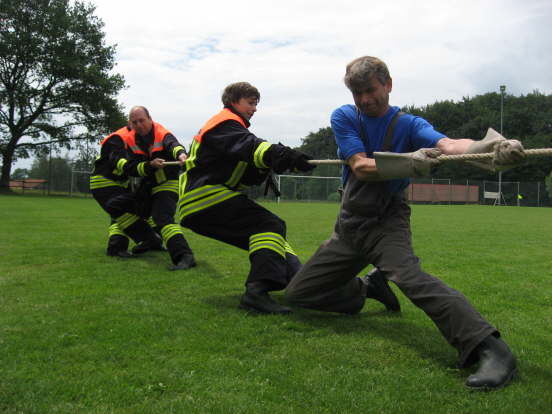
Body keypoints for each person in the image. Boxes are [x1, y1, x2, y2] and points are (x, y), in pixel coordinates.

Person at [285, 56, 525, 390]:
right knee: (299, 294)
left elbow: (448, 145)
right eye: (358, 93)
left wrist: (491, 148)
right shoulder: (344, 116)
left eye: (370, 90)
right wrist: (409, 163)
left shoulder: (410, 125)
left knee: (411, 278)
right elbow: (359, 166)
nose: (365, 99)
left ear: (388, 84)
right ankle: (369, 288)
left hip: (387, 221)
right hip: (350, 225)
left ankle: (490, 349)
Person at [177, 82, 315, 314]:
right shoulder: (224, 123)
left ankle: (303, 282)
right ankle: (256, 293)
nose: (255, 109)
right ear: (234, 101)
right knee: (271, 225)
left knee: (277, 245)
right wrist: (281, 154)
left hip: (199, 203)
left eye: (256, 104)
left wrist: (272, 163)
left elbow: (246, 167)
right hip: (205, 197)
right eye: (251, 103)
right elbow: (249, 146)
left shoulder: (228, 128)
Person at [125, 106, 196, 270]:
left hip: (168, 182)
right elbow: (131, 167)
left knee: (162, 218)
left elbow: (174, 145)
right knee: (129, 210)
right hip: (149, 183)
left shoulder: (161, 132)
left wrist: (181, 155)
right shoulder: (130, 140)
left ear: (150, 119)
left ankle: (184, 256)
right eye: (134, 122)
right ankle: (152, 241)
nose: (139, 125)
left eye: (141, 120)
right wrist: (149, 165)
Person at [90, 124, 163, 258]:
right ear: (131, 125)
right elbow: (121, 163)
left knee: (122, 215)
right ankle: (148, 239)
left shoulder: (130, 139)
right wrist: (144, 167)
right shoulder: (118, 138)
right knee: (126, 212)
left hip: (115, 184)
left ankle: (117, 247)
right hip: (105, 183)